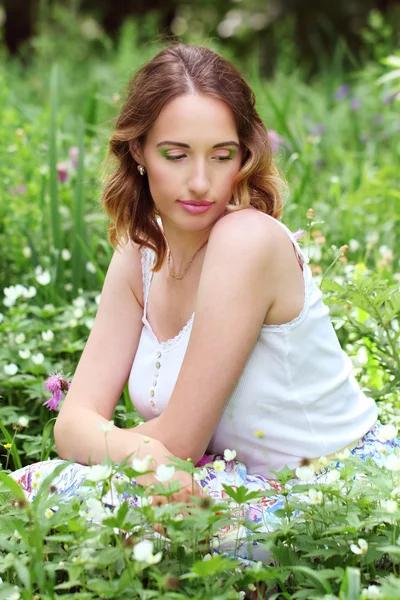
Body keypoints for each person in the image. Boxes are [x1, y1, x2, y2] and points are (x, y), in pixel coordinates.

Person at [9, 43, 399, 566]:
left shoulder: (247, 242)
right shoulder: (138, 257)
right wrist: (143, 453)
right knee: (29, 492)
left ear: (245, 157)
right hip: (229, 478)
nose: (200, 182)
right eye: (176, 154)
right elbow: (71, 422)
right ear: (139, 154)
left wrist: (130, 450)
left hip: (336, 492)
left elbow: (178, 443)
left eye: (221, 155)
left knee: (83, 505)